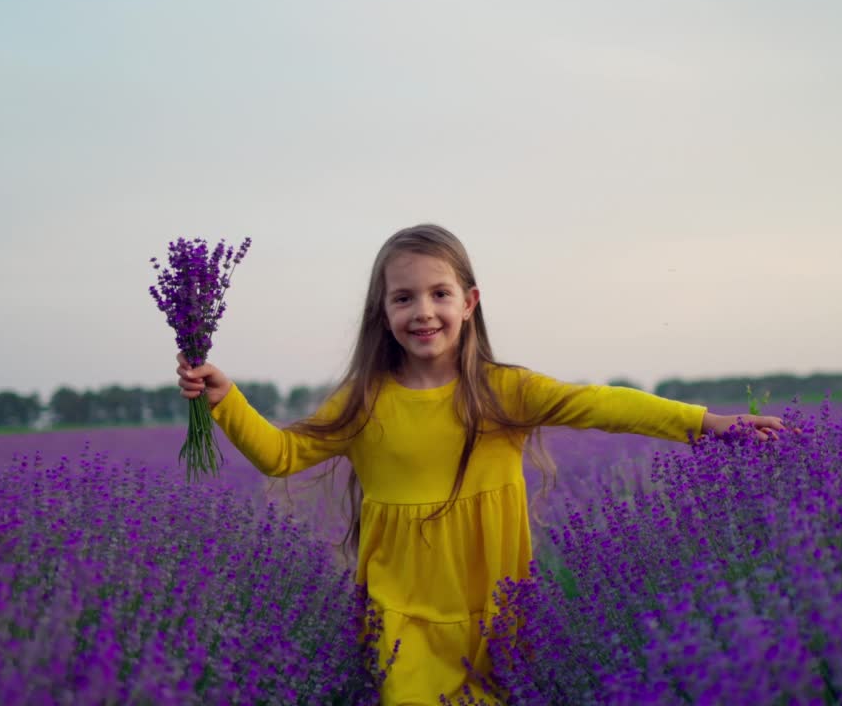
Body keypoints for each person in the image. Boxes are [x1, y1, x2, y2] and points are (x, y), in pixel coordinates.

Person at [174, 224, 789, 705]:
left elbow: (603, 405)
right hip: (401, 611)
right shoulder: (363, 400)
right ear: (382, 314)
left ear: (469, 302)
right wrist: (228, 402)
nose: (424, 311)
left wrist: (707, 424)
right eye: (403, 297)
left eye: (440, 294)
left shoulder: (504, 390)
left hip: (496, 609)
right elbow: (282, 456)